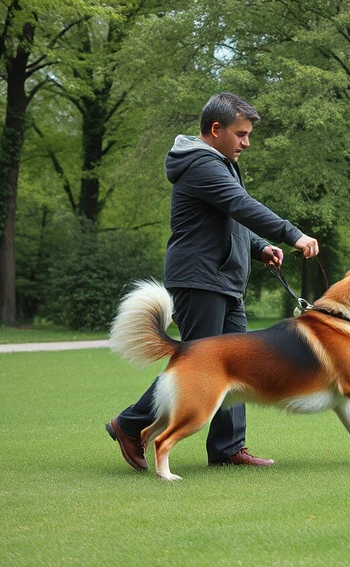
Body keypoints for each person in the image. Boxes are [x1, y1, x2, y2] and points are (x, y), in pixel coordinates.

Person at [106, 92, 319, 470]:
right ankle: (129, 424)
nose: (246, 142)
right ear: (216, 129)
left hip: (224, 280)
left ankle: (227, 449)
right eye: (241, 134)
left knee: (239, 364)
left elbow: (231, 217)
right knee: (196, 365)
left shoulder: (219, 163)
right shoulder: (200, 164)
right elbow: (240, 204)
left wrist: (259, 247)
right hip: (199, 279)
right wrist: (292, 233)